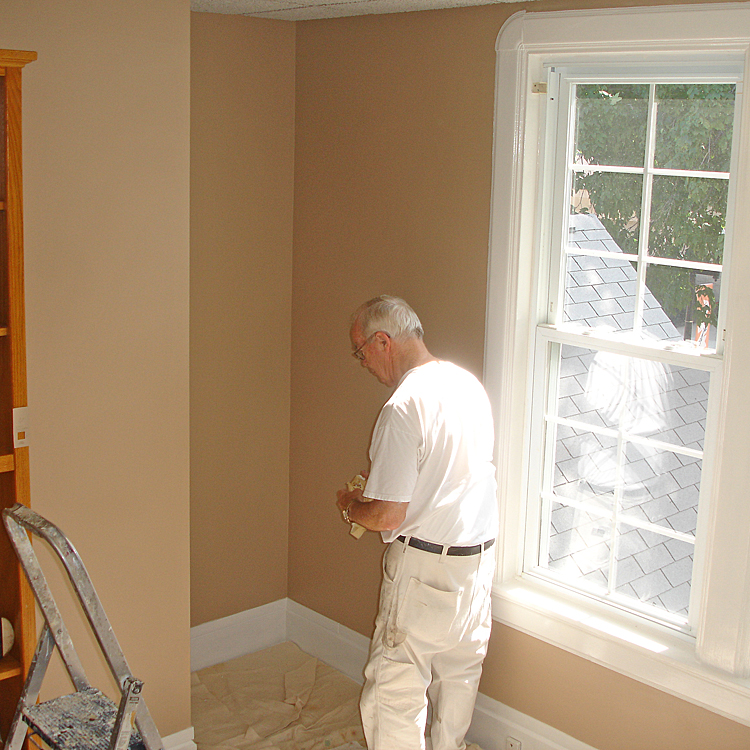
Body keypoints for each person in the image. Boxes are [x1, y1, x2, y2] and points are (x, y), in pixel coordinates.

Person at [336, 295, 498, 750]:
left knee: (394, 693)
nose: (361, 362)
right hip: (475, 565)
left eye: (360, 350)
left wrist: (351, 506)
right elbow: (447, 474)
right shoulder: (467, 385)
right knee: (458, 679)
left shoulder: (403, 406)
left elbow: (388, 514)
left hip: (424, 571)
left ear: (382, 341)